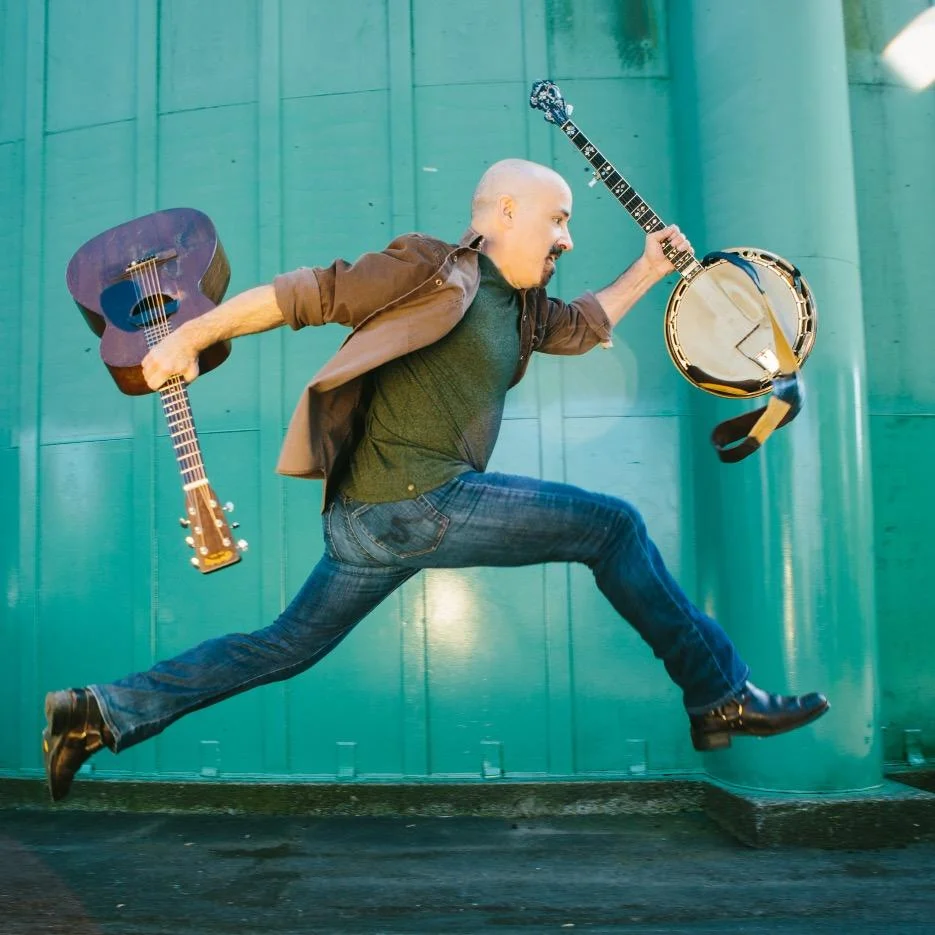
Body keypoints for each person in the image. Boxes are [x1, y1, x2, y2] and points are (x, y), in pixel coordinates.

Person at [43, 159, 829, 801]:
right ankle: (718, 690)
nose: (566, 236)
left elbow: (586, 323)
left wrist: (650, 267)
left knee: (280, 646)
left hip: (369, 523)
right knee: (611, 525)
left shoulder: (521, 311)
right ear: (502, 215)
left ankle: (98, 710)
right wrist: (192, 333)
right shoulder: (428, 265)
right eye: (556, 219)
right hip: (414, 502)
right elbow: (301, 294)